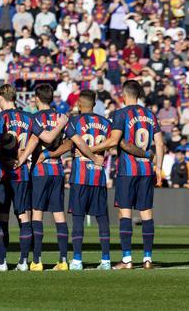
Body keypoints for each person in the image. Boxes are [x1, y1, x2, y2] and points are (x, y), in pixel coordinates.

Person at [88, 79, 164, 269]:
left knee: (125, 214)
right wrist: (159, 168)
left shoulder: (120, 113)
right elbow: (160, 144)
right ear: (138, 95)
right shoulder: (150, 114)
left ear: (124, 95)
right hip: (146, 170)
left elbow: (113, 141)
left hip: (127, 171)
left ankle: (127, 259)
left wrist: (90, 148)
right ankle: (147, 259)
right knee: (146, 214)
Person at [17, 83, 71, 270]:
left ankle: (37, 261)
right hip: (57, 170)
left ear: (36, 99)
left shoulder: (34, 118)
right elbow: (70, 143)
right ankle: (63, 260)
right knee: (59, 215)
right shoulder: (60, 117)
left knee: (37, 214)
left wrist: (23, 158)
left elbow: (34, 141)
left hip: (39, 172)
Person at [63, 91, 113, 270]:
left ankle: (77, 260)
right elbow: (113, 144)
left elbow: (68, 145)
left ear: (78, 105)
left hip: (80, 176)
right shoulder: (106, 123)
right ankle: (106, 259)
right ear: (94, 104)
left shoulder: (74, 122)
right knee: (102, 219)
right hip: (98, 176)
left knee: (78, 218)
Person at [0, 84, 31, 271]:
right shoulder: (28, 117)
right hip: (22, 172)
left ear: (1, 97)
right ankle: (23, 261)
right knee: (24, 216)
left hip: (2, 171)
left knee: (2, 218)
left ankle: (2, 261)